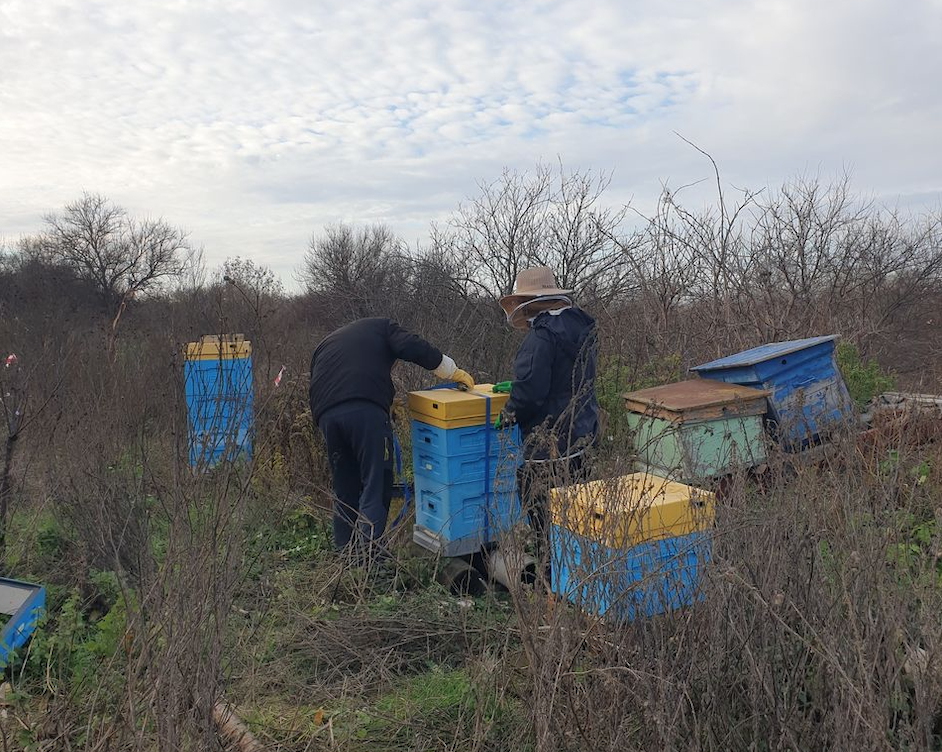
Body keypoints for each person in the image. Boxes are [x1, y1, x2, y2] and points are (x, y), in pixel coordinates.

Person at [309, 317, 474, 559]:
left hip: (327, 417)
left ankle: (345, 554)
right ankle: (368, 558)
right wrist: (449, 369)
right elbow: (412, 346)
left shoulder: (329, 343)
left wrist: (381, 402)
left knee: (346, 486)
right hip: (364, 411)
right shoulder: (383, 328)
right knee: (376, 483)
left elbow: (330, 380)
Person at [496, 267, 599, 577]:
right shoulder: (580, 327)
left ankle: (551, 576)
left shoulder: (541, 337)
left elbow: (529, 392)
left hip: (548, 442)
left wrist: (507, 415)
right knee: (577, 514)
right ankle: (578, 574)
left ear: (528, 302)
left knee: (542, 511)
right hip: (582, 435)